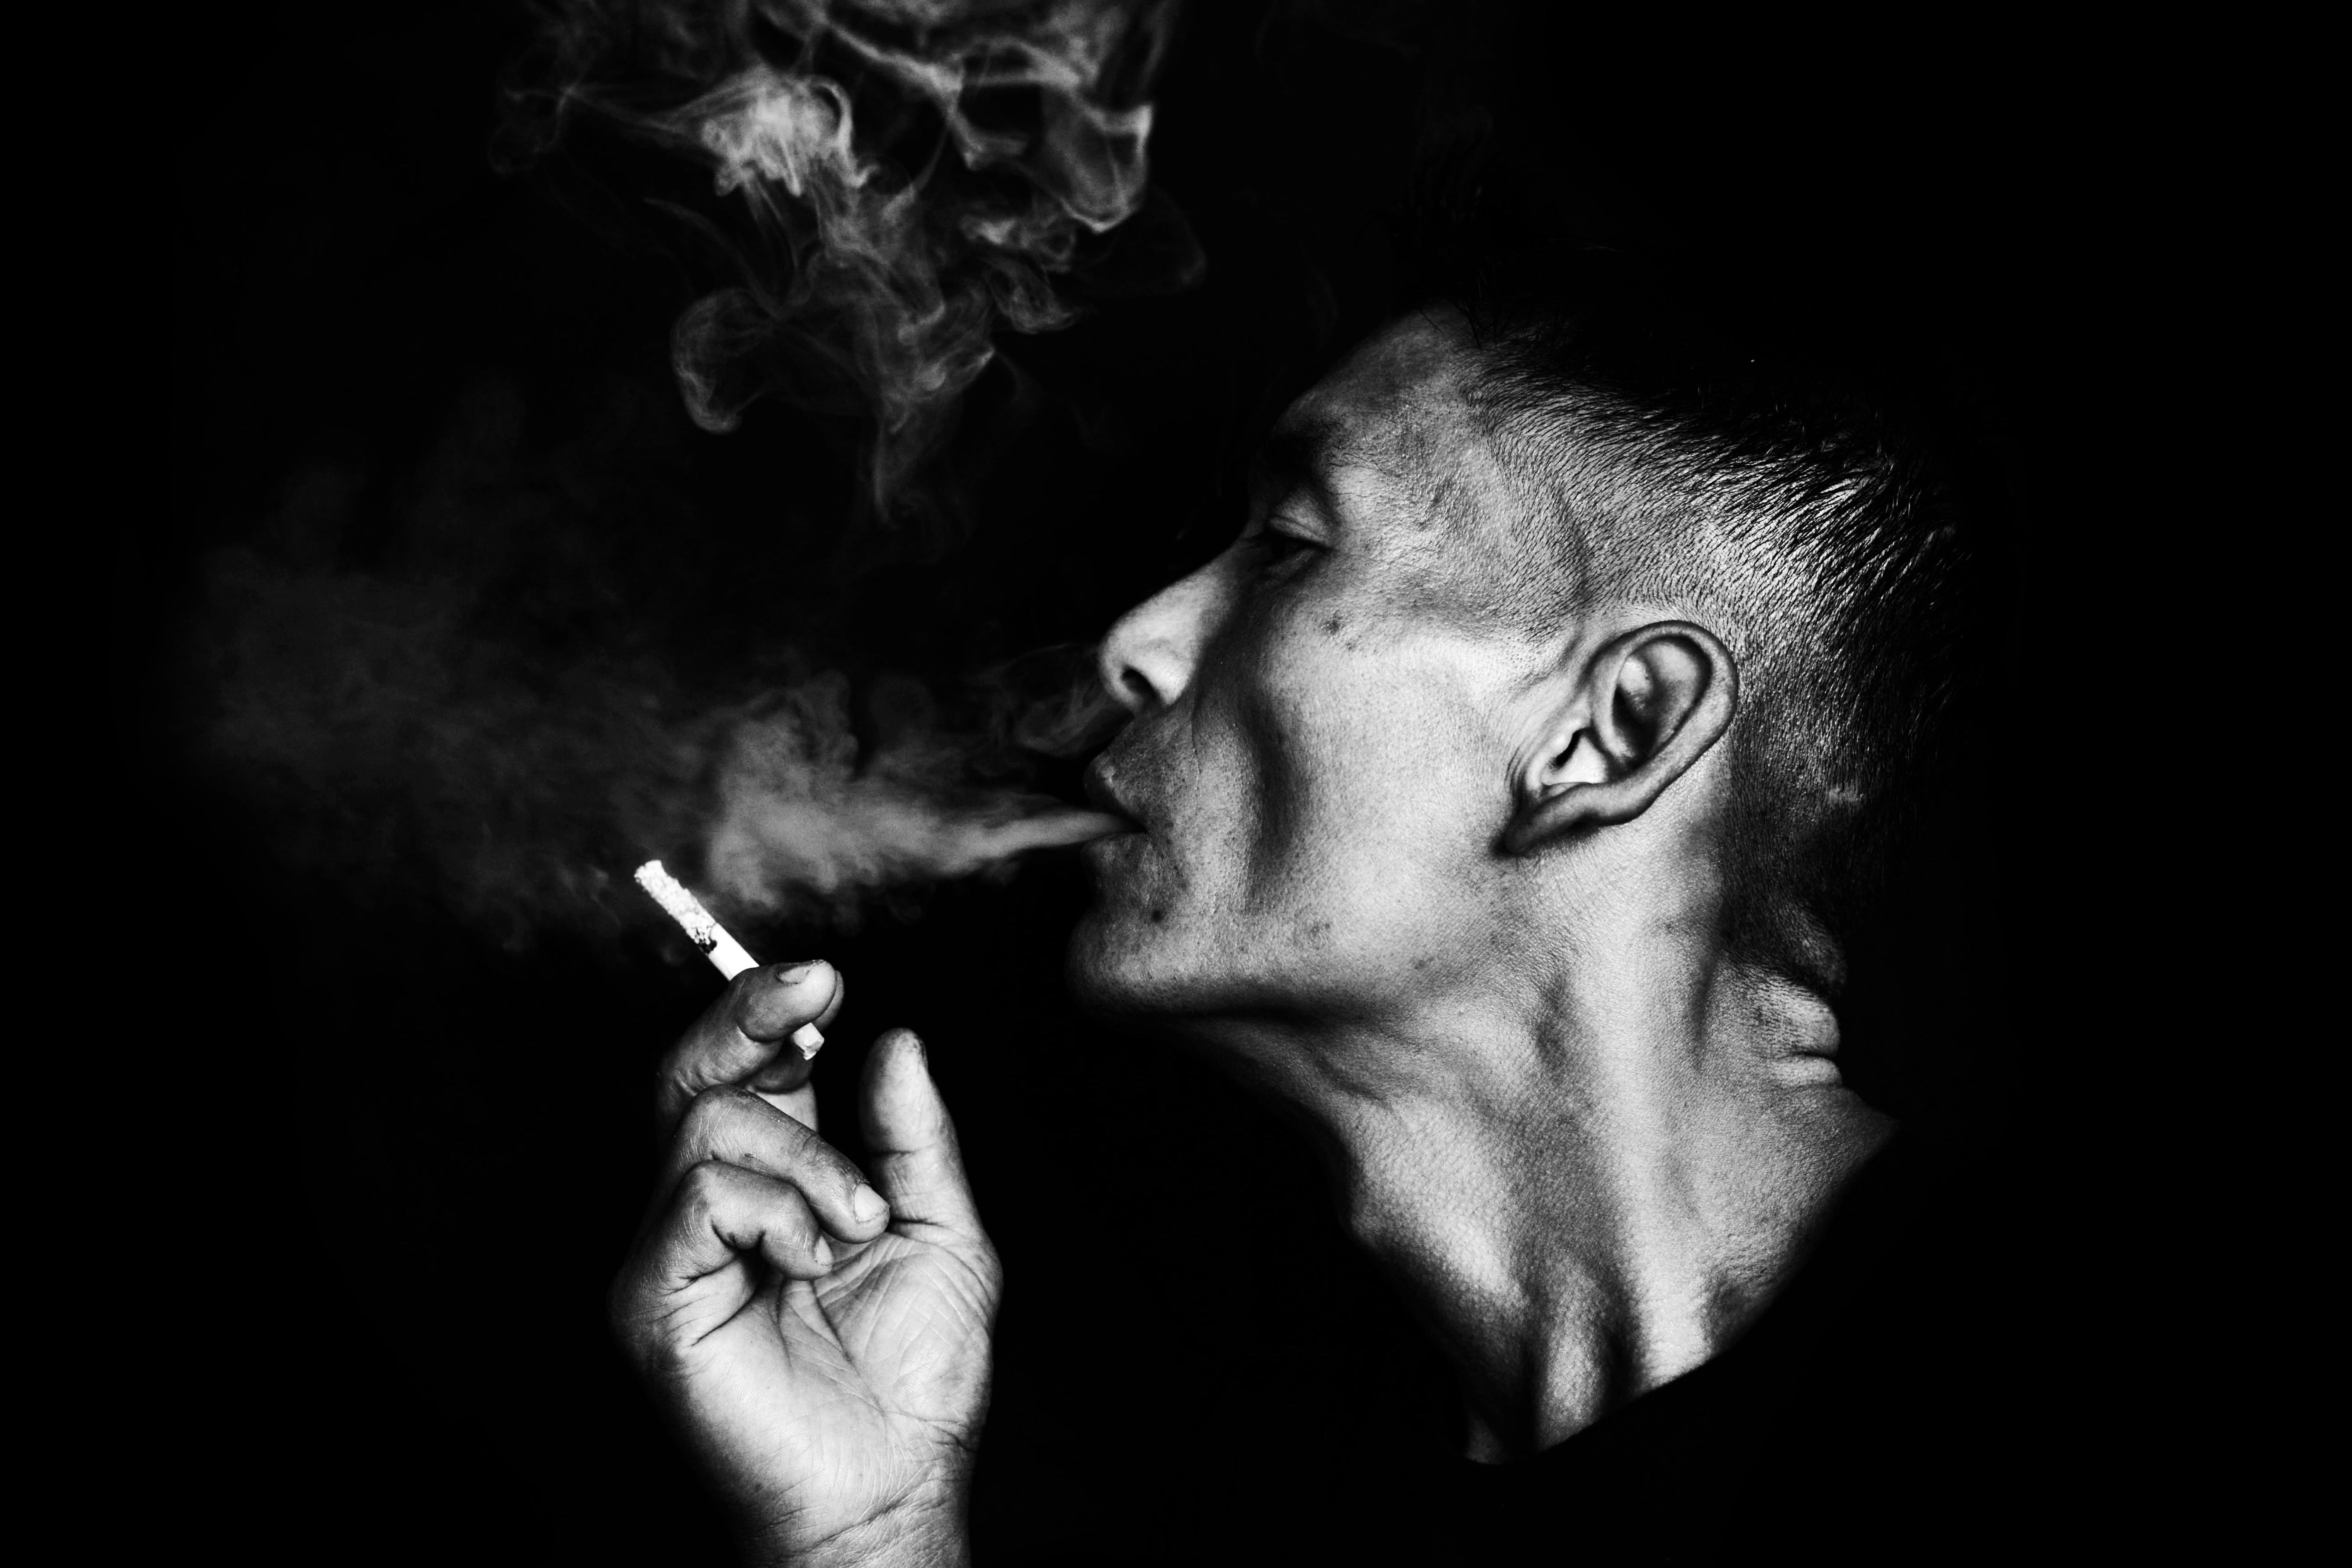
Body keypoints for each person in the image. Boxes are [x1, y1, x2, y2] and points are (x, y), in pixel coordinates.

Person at [608, 255, 2032, 1565]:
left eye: (1289, 545)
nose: (1136, 643)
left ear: (1614, 730)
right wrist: (870, 1543)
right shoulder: (1267, 1505)